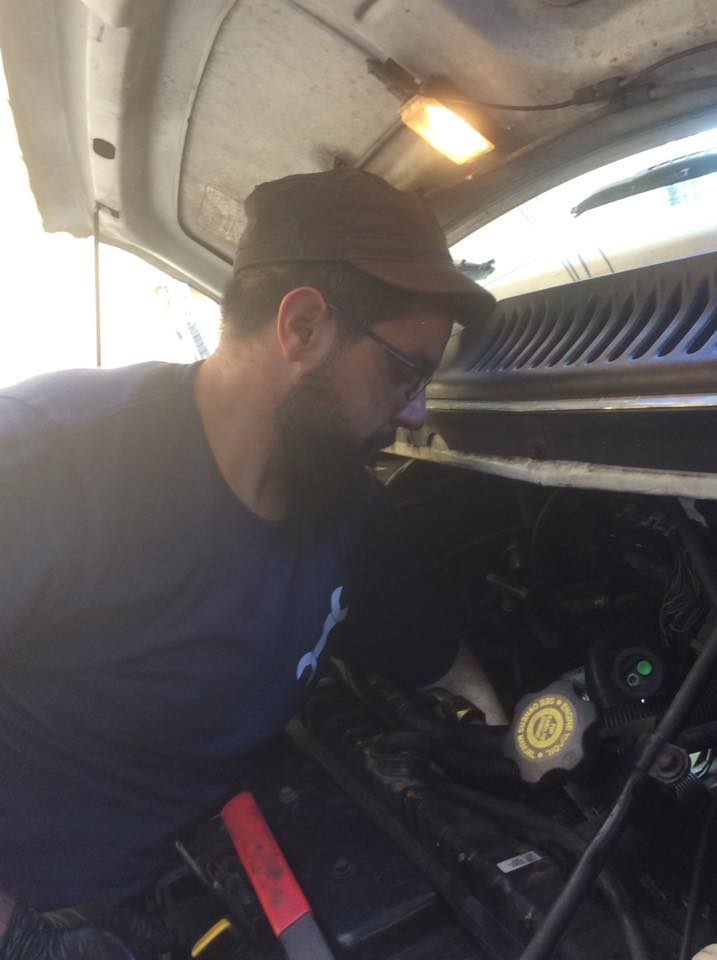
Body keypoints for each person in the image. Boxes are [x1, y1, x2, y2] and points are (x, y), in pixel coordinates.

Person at [0, 168, 502, 957]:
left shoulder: (345, 508)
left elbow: (431, 657)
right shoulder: (48, 461)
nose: (416, 414)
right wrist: (22, 936)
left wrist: (519, 734)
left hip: (213, 878)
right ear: (301, 327)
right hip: (51, 912)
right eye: (403, 372)